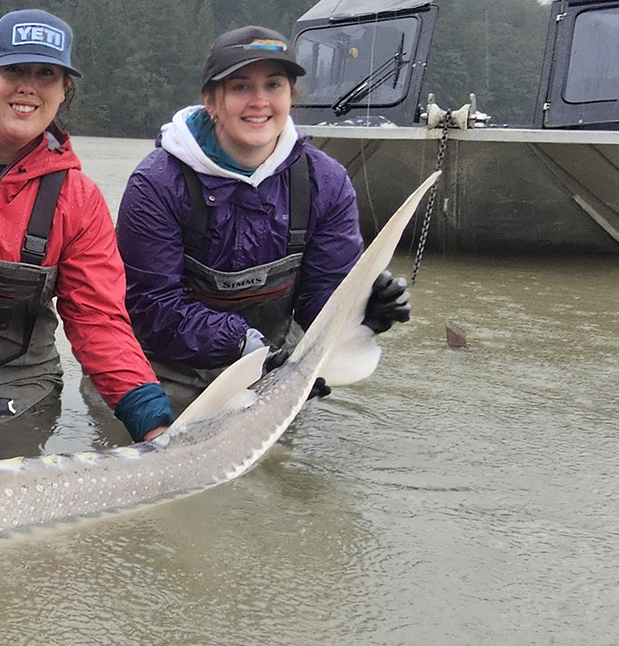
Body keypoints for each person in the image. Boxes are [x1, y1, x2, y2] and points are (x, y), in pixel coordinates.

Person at [116, 25, 410, 410]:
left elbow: (320, 297)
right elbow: (152, 305)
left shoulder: (325, 182)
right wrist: (244, 345)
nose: (259, 101)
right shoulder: (156, 184)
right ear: (211, 100)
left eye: (274, 85)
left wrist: (364, 314)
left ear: (291, 96)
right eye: (240, 87)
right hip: (166, 376)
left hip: (272, 369)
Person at [0, 9, 174, 448]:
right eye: (13, 69)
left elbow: (99, 320)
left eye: (46, 73)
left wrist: (153, 422)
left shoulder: (79, 199)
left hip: (17, 390)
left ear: (65, 91)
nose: (28, 86)